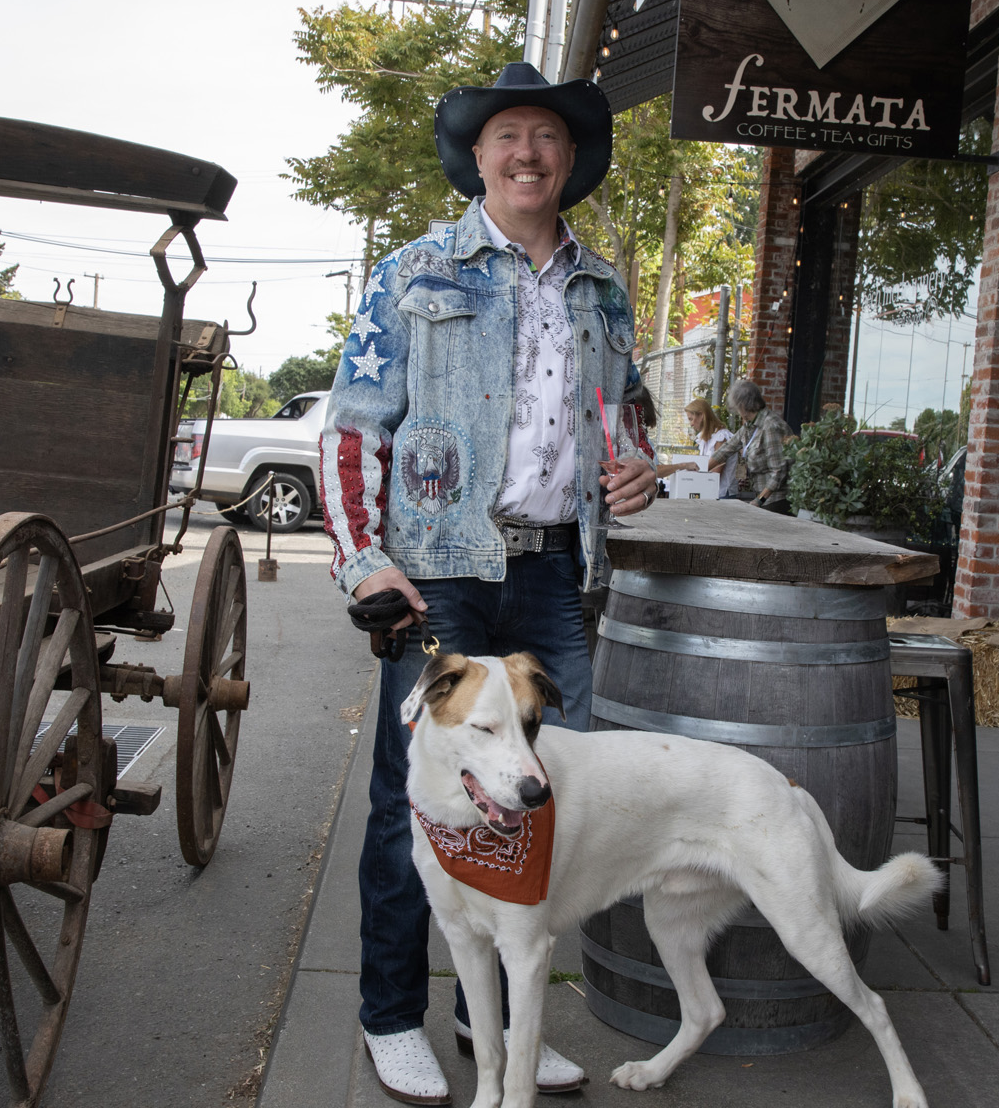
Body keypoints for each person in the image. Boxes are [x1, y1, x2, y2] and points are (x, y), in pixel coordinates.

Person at [319, 61, 657, 1105]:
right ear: (477, 156)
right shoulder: (415, 272)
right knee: (414, 802)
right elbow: (351, 429)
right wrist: (364, 561)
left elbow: (626, 417)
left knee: (533, 803)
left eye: (545, 136)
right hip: (440, 577)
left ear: (570, 158)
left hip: (555, 577)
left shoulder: (603, 289)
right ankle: (391, 1016)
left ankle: (495, 1022)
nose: (527, 153)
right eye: (507, 135)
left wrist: (639, 466)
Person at [709, 378, 792, 512]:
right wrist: (700, 470)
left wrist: (759, 500)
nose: (737, 412)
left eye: (737, 407)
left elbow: (779, 470)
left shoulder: (770, 426)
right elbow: (725, 450)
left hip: (775, 500)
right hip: (761, 497)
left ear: (743, 406)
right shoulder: (750, 426)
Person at [654, 397, 738, 497]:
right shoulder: (707, 438)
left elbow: (715, 474)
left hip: (721, 494)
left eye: (691, 419)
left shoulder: (721, 437)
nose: (691, 424)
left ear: (701, 415)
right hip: (710, 492)